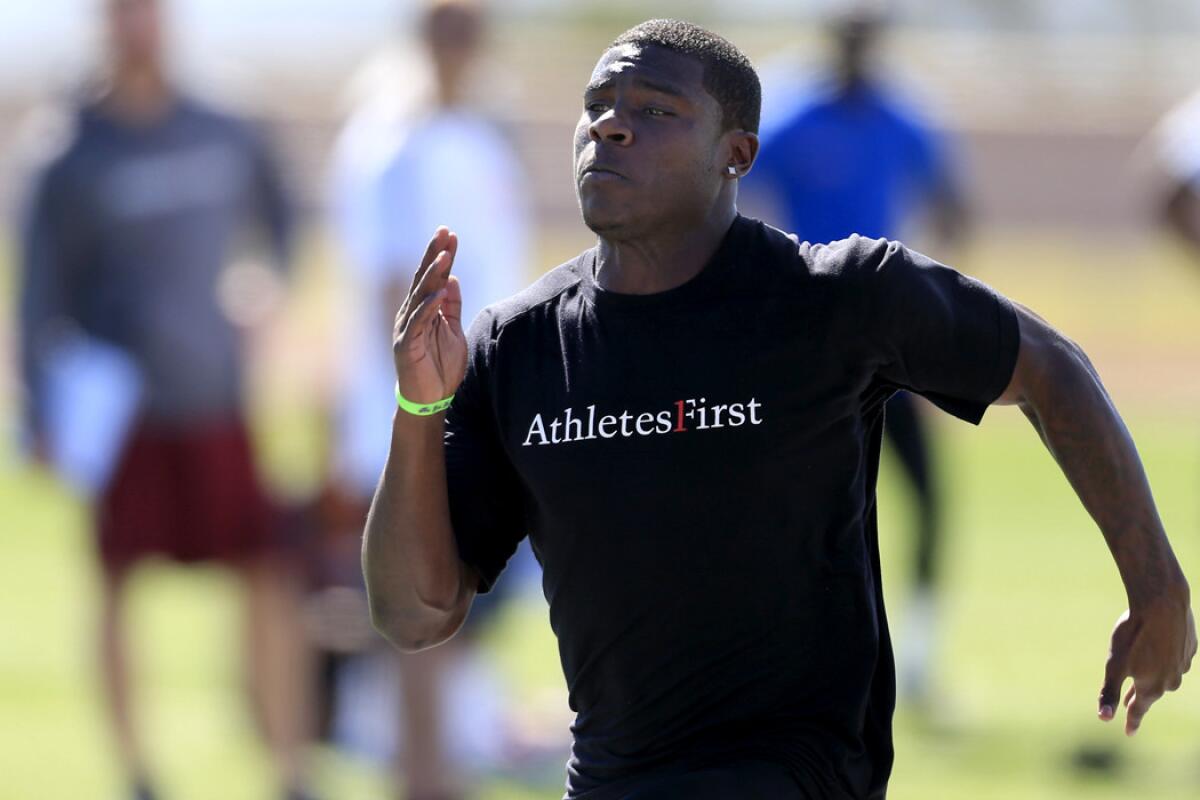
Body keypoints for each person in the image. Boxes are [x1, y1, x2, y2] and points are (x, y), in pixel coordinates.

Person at [361, 18, 1196, 800]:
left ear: (737, 153)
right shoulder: (519, 347)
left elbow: (1050, 367)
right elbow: (414, 611)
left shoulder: (837, 296)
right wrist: (418, 408)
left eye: (655, 110)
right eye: (597, 108)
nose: (610, 127)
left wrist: (1156, 584)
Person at [17, 1, 314, 798]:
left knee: (266, 573)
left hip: (218, 397)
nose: (137, 25)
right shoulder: (68, 150)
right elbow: (39, 291)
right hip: (121, 414)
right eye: (122, 12)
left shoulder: (224, 123)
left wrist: (267, 286)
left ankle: (289, 767)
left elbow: (281, 221)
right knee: (114, 582)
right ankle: (138, 773)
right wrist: (36, 413)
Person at [325, 1, 534, 797]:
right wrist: (433, 406)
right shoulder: (391, 142)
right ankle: (422, 781)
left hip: (480, 403)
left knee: (467, 609)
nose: (459, 47)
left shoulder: (480, 136)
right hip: (420, 412)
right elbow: (393, 292)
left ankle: (439, 769)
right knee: (422, 617)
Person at [745, 6, 968, 702]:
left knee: (928, 500)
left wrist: (935, 311)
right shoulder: (789, 112)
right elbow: (737, 192)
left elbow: (952, 205)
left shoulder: (902, 117)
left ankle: (921, 663)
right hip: (807, 339)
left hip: (890, 341)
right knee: (808, 506)